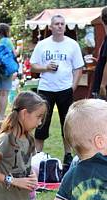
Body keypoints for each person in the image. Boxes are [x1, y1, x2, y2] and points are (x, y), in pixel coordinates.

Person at [30, 13, 85, 167]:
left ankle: (68, 155)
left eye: (62, 23)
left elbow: (78, 68)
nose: (60, 26)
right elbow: (33, 66)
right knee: (41, 123)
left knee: (67, 123)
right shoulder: (42, 45)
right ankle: (38, 156)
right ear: (51, 27)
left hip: (65, 89)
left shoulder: (72, 44)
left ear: (65, 26)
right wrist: (46, 67)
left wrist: (73, 87)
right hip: (45, 89)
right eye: (57, 24)